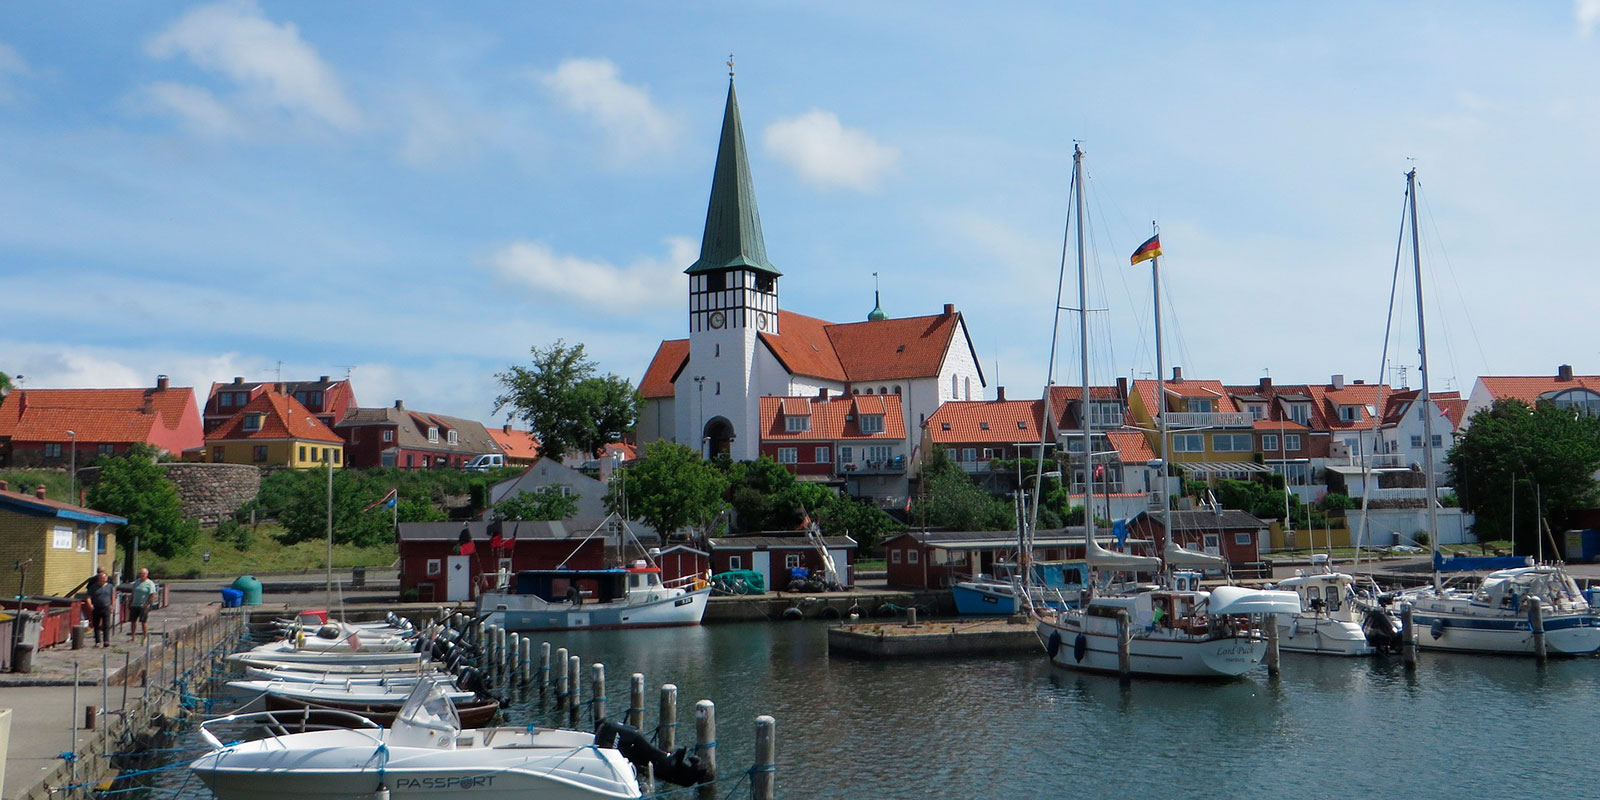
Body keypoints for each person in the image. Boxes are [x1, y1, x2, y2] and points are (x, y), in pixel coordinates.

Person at [84, 568, 114, 648]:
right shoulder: (93, 587)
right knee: (96, 625)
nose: (102, 579)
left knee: (106, 625)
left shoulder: (110, 586)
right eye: (101, 578)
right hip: (96, 607)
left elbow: (113, 596)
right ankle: (98, 641)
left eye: (104, 578)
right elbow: (88, 597)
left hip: (106, 607)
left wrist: (112, 605)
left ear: (106, 579)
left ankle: (106, 640)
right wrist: (90, 605)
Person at [128, 568, 158, 641]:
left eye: (143, 574)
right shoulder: (136, 582)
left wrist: (146, 604)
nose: (142, 575)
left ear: (147, 575)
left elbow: (152, 595)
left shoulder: (150, 583)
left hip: (143, 605)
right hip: (134, 604)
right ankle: (133, 637)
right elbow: (133, 593)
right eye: (140, 573)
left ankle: (144, 637)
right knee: (133, 621)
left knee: (143, 622)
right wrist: (130, 602)